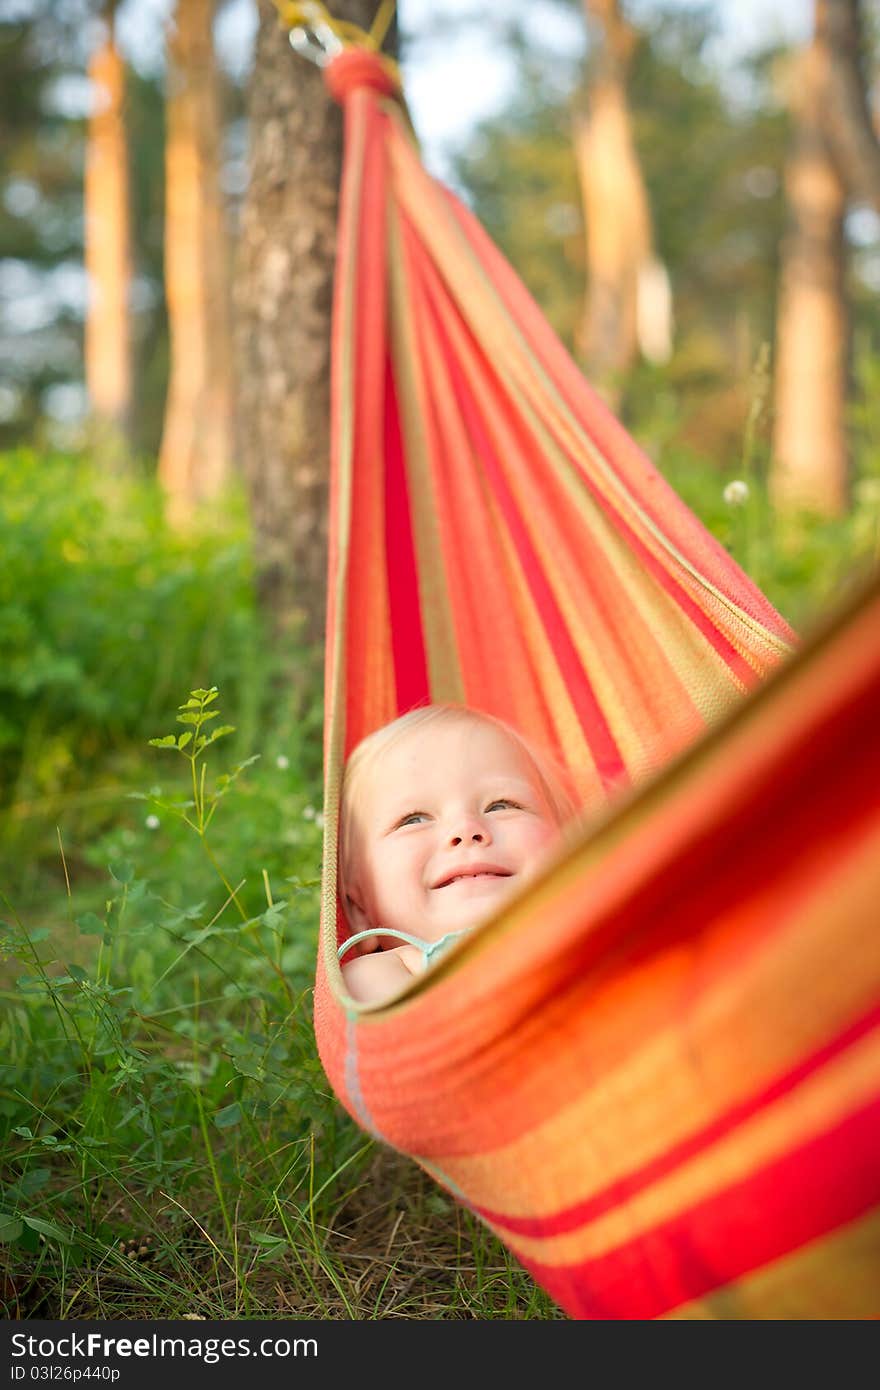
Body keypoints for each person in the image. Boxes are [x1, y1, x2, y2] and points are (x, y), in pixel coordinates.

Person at [337, 703, 578, 1003]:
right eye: (414, 819)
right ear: (360, 911)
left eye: (501, 805)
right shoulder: (382, 974)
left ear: (575, 853)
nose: (465, 829)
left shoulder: (607, 929)